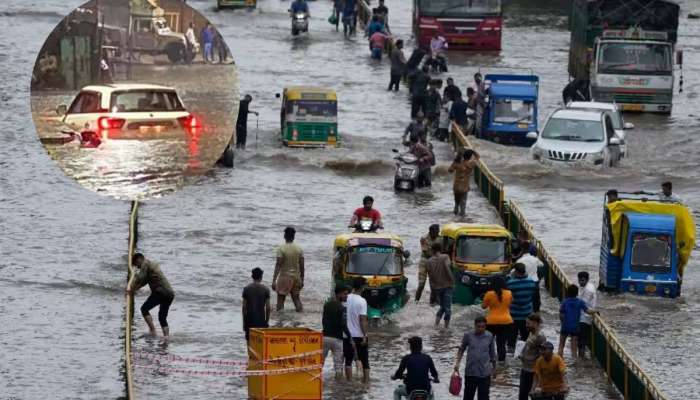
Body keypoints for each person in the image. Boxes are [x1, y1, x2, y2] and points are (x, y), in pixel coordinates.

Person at [127, 253, 175, 338]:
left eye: (136, 264)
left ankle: (153, 331)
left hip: (160, 292)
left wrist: (132, 284)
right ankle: (166, 338)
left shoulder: (145, 263)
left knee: (144, 309)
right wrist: (133, 290)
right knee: (162, 317)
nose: (137, 267)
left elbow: (140, 279)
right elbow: (143, 282)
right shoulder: (151, 265)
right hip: (169, 293)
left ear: (139, 259)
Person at [453, 316, 496, 400]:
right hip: (471, 373)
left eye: (483, 327)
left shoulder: (489, 336)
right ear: (474, 326)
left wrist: (494, 369)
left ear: (485, 326)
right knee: (468, 396)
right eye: (478, 327)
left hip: (484, 373)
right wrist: (457, 364)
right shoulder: (468, 335)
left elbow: (492, 354)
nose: (480, 329)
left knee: (484, 397)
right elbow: (461, 349)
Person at [507, 263, 541, 353]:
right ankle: (524, 356)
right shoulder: (531, 283)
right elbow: (535, 299)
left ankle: (511, 361)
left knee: (511, 341)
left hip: (513, 315)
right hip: (527, 315)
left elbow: (507, 298)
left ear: (516, 272)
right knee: (525, 339)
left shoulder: (510, 283)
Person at [272, 227, 305, 312]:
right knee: (296, 299)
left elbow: (278, 265)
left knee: (280, 300)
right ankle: (299, 320)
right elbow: (302, 266)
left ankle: (280, 322)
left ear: (285, 236)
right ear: (293, 237)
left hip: (284, 277)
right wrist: (302, 279)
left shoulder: (281, 249)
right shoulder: (299, 249)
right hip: (296, 277)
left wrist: (274, 280)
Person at [323, 285, 352, 380]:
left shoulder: (327, 305)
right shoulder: (342, 308)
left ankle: (317, 384)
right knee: (338, 366)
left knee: (320, 363)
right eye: (345, 294)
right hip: (337, 339)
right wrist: (350, 337)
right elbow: (343, 325)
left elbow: (323, 321)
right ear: (339, 294)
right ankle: (338, 389)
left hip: (325, 337)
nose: (346, 296)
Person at [481, 276, 513, 362]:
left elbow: (483, 307)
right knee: (501, 344)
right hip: (506, 321)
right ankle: (502, 365)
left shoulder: (489, 294)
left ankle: (489, 362)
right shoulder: (509, 293)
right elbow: (509, 304)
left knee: (488, 343)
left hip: (491, 322)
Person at [558, 284, 595, 358]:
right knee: (574, 347)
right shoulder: (580, 302)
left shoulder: (565, 302)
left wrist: (563, 322)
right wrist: (595, 311)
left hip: (565, 326)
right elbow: (587, 311)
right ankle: (574, 363)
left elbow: (561, 315)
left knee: (561, 344)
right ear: (577, 293)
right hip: (575, 327)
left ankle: (559, 358)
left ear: (568, 293)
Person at [345, 277, 370, 383]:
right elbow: (362, 320)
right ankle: (366, 382)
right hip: (359, 335)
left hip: (346, 335)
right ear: (362, 287)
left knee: (348, 361)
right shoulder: (362, 301)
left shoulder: (346, 297)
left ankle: (349, 382)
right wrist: (365, 335)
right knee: (365, 361)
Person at [517, 313, 547, 400]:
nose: (526, 326)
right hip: (525, 368)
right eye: (526, 323)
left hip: (534, 371)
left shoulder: (540, 337)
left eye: (528, 324)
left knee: (534, 395)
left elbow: (543, 355)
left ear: (536, 323)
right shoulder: (531, 333)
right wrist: (521, 355)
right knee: (522, 395)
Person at [426, 242, 455, 328]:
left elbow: (430, 276)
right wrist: (452, 281)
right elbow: (447, 268)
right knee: (448, 308)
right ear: (440, 249)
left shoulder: (429, 261)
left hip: (437, 287)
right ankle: (446, 327)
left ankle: (436, 325)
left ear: (433, 250)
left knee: (443, 307)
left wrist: (433, 288)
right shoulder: (445, 256)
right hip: (447, 286)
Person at [242, 267, 271, 342]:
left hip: (249, 321)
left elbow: (244, 307)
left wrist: (244, 323)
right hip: (261, 321)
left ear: (252, 276)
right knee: (260, 343)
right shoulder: (266, 289)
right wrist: (266, 321)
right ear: (261, 277)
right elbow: (268, 308)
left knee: (250, 342)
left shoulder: (246, 289)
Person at [448, 149, 480, 217]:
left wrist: (455, 162)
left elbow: (450, 170)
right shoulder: (471, 164)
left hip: (456, 186)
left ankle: (454, 217)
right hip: (464, 187)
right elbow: (478, 157)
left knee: (456, 203)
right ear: (470, 157)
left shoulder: (457, 164)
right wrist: (473, 151)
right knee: (463, 203)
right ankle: (462, 218)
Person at [416, 224, 442, 305]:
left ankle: (432, 302)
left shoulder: (440, 238)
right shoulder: (424, 238)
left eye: (438, 231)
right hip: (425, 261)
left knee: (434, 285)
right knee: (421, 284)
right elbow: (426, 252)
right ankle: (416, 300)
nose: (437, 233)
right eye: (436, 232)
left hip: (434, 261)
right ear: (431, 231)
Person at [577, 271, 597, 358]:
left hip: (585, 317)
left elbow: (583, 305)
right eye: (580, 280)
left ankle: (581, 357)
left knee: (581, 340)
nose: (581, 282)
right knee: (582, 338)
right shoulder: (589, 286)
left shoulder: (588, 290)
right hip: (583, 316)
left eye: (583, 280)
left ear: (587, 280)